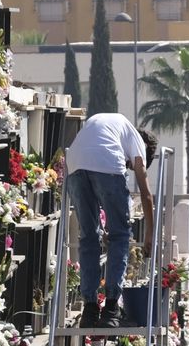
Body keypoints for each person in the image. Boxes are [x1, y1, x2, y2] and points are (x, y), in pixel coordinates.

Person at [65, 113, 156, 328]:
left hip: (75, 164)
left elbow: (95, 177)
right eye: (129, 165)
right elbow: (146, 195)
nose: (127, 165)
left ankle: (89, 308)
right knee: (120, 235)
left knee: (89, 236)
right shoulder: (137, 142)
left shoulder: (112, 126)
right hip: (106, 165)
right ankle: (112, 307)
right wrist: (149, 235)